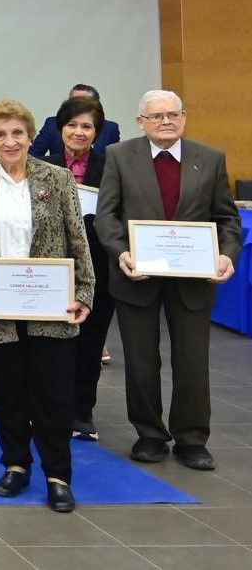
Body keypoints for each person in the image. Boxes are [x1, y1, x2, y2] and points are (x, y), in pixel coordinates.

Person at [0, 100, 95, 512]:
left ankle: (57, 474)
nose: (10, 141)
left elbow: (77, 239)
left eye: (17, 133)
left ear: (31, 136)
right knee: (8, 391)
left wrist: (84, 292)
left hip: (52, 306)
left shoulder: (59, 178)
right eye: (0, 134)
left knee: (53, 393)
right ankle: (15, 464)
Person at [94, 90, 240, 472]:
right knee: (141, 363)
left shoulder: (209, 160)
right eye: (156, 116)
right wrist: (121, 252)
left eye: (173, 114)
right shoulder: (120, 156)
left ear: (184, 118)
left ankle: (192, 438)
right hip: (135, 277)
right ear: (141, 121)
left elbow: (227, 219)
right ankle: (150, 434)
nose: (165, 121)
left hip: (193, 281)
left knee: (192, 363)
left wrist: (226, 254)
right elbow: (106, 216)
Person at [37, 96, 112, 441]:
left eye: (86, 126)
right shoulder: (39, 165)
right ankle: (49, 409)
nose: (78, 132)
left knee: (90, 339)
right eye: (72, 125)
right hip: (51, 268)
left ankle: (82, 412)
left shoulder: (112, 168)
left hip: (98, 266)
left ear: (96, 133)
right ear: (60, 129)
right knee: (51, 343)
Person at [29, 84, 122, 158]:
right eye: (74, 102)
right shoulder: (52, 123)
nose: (78, 107)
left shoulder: (111, 128)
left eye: (84, 102)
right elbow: (33, 156)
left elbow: (113, 163)